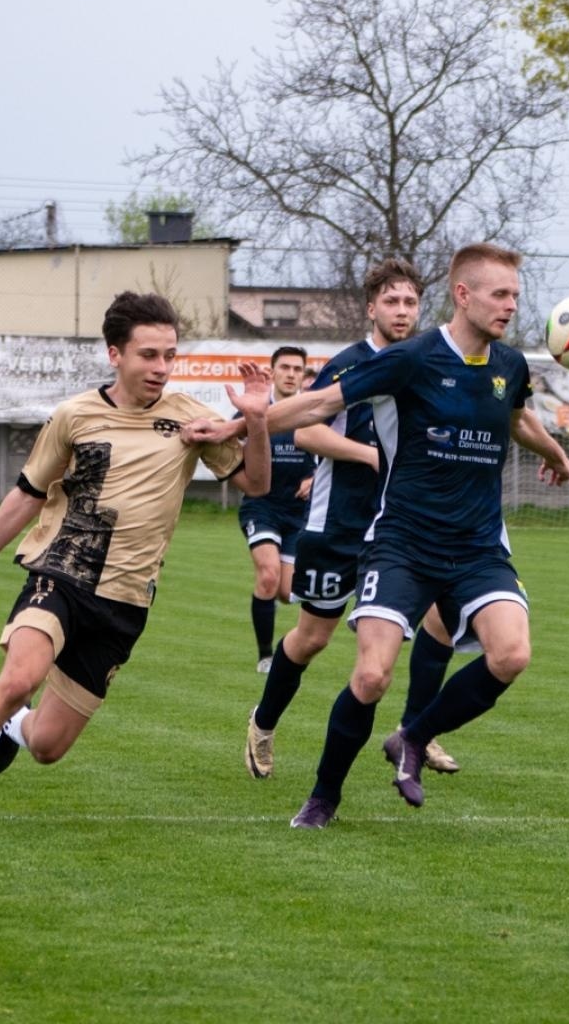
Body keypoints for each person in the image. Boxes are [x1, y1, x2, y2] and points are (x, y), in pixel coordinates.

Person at [0, 291, 271, 833]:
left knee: (47, 746)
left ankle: (12, 730)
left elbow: (256, 484)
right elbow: (26, 494)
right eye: (149, 355)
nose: (161, 368)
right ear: (114, 353)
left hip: (125, 600)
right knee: (18, 679)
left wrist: (255, 421)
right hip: (62, 571)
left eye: (169, 355)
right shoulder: (74, 416)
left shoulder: (191, 418)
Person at [250, 243, 569, 829]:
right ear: (464, 295)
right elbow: (323, 403)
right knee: (372, 675)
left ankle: (413, 736)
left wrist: (555, 452)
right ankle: (324, 797)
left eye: (515, 296)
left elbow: (515, 418)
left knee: (512, 654)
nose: (511, 306)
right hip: (403, 541)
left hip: (479, 547)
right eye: (500, 294)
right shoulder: (413, 358)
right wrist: (242, 422)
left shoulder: (510, 365)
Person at [242, 259, 462, 781]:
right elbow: (304, 434)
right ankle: (264, 721)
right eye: (392, 301)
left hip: (403, 530)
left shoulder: (428, 366)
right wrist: (365, 455)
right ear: (372, 308)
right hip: (338, 525)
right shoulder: (348, 364)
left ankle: (416, 732)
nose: (403, 311)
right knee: (312, 638)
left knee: (442, 618)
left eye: (410, 302)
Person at [238, 346, 314, 673]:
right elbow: (229, 445)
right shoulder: (255, 411)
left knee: (286, 592)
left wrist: (316, 477)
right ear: (273, 371)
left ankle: (289, 651)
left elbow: (333, 455)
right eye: (285, 367)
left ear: (303, 374)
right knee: (268, 576)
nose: (291, 374)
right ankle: (265, 656)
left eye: (297, 369)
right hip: (262, 507)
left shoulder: (313, 413)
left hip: (299, 513)